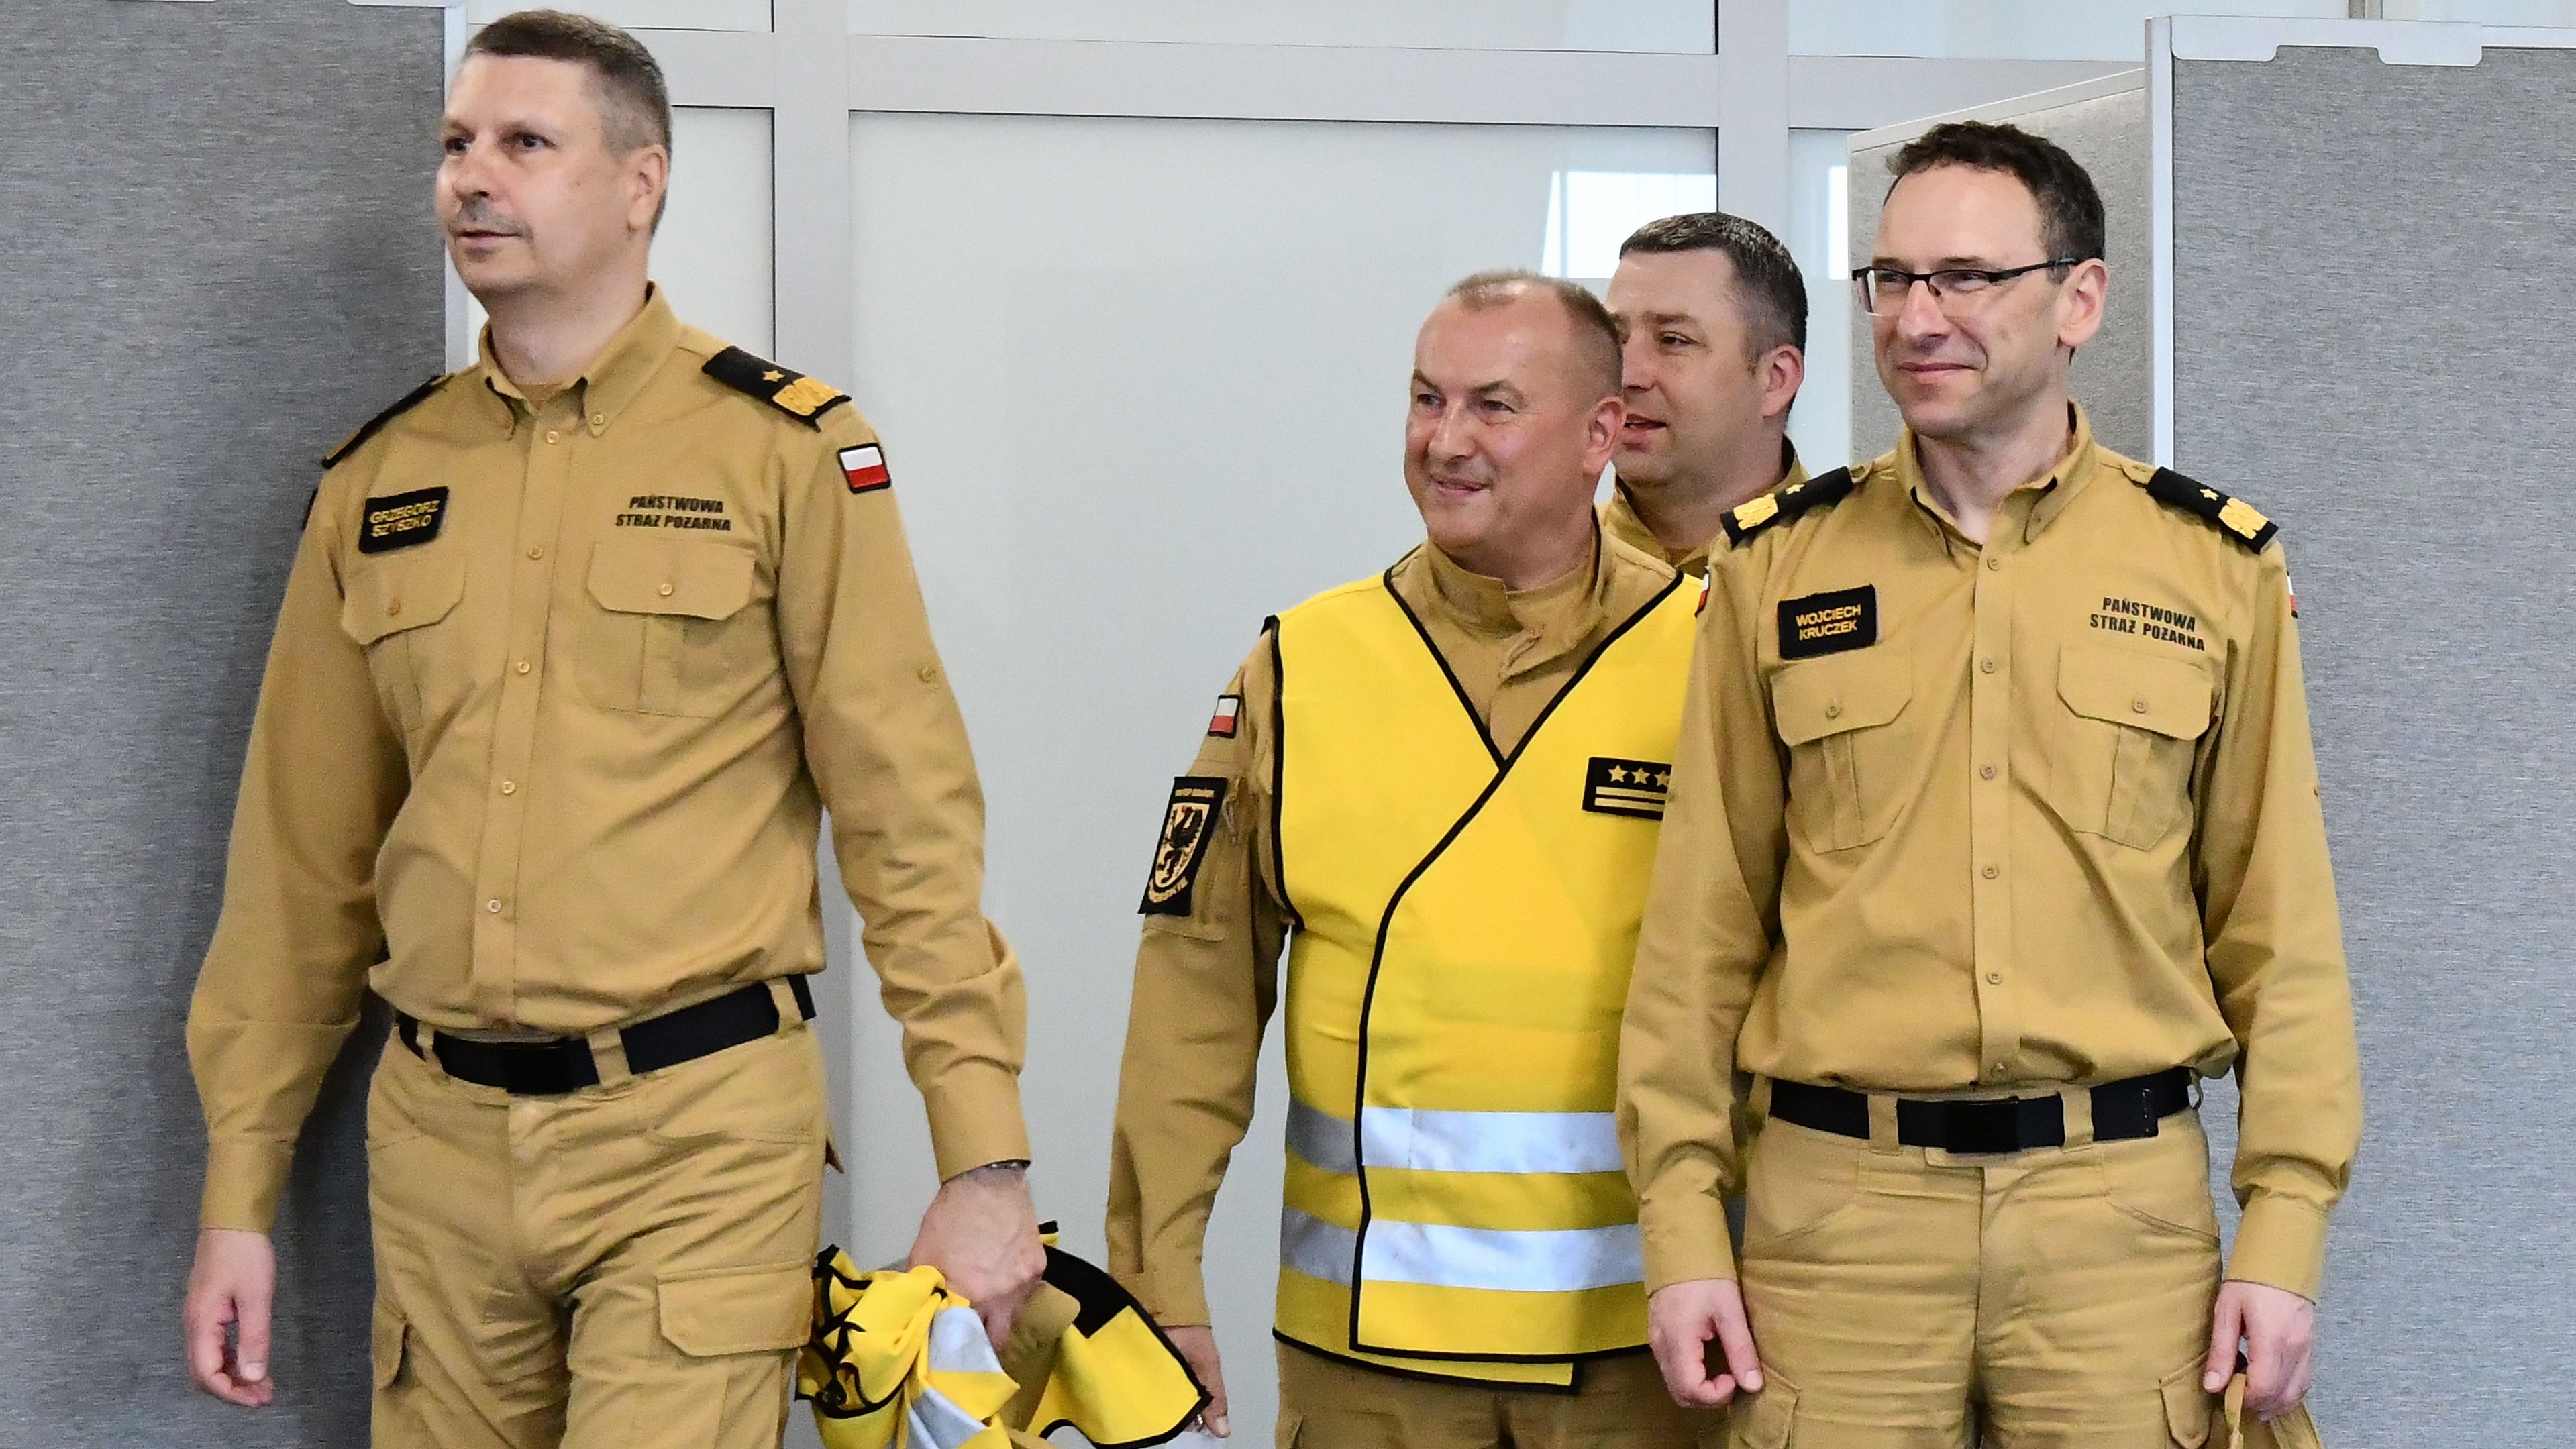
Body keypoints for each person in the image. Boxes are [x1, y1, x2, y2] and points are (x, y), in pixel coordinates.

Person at [178, 13, 1042, 1446]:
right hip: (438, 1150)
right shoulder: (378, 483)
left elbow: (909, 820)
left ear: (641, 183)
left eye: (525, 143)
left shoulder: (783, 452)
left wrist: (982, 1155)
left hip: (693, 1141)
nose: (472, 178)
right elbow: (298, 869)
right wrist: (238, 1193)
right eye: (456, 144)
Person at [1620, 120, 2362, 1446]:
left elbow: (2279, 934)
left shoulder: (2209, 568)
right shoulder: (1773, 568)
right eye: (1890, 279)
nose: (1916, 317)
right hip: (1835, 1232)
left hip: (2116, 1233)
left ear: (2078, 299)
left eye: (1964, 277)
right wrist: (1679, 1233)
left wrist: (2283, 1233)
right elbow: (1695, 936)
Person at [1105, 271, 1714, 1447]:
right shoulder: (1303, 664)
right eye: (1425, 400)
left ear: (1599, 434)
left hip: (1643, 1353)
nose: (1444, 441)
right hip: (1364, 1366)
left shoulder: (1706, 653)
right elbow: (1193, 995)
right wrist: (1157, 1277)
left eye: (1493, 406)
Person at [1601, 213, 1809, 578]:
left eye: (1673, 341)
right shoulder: (1534, 569)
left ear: (1775, 379)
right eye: (1616, 339)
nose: (1627, 376)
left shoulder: (1867, 567)